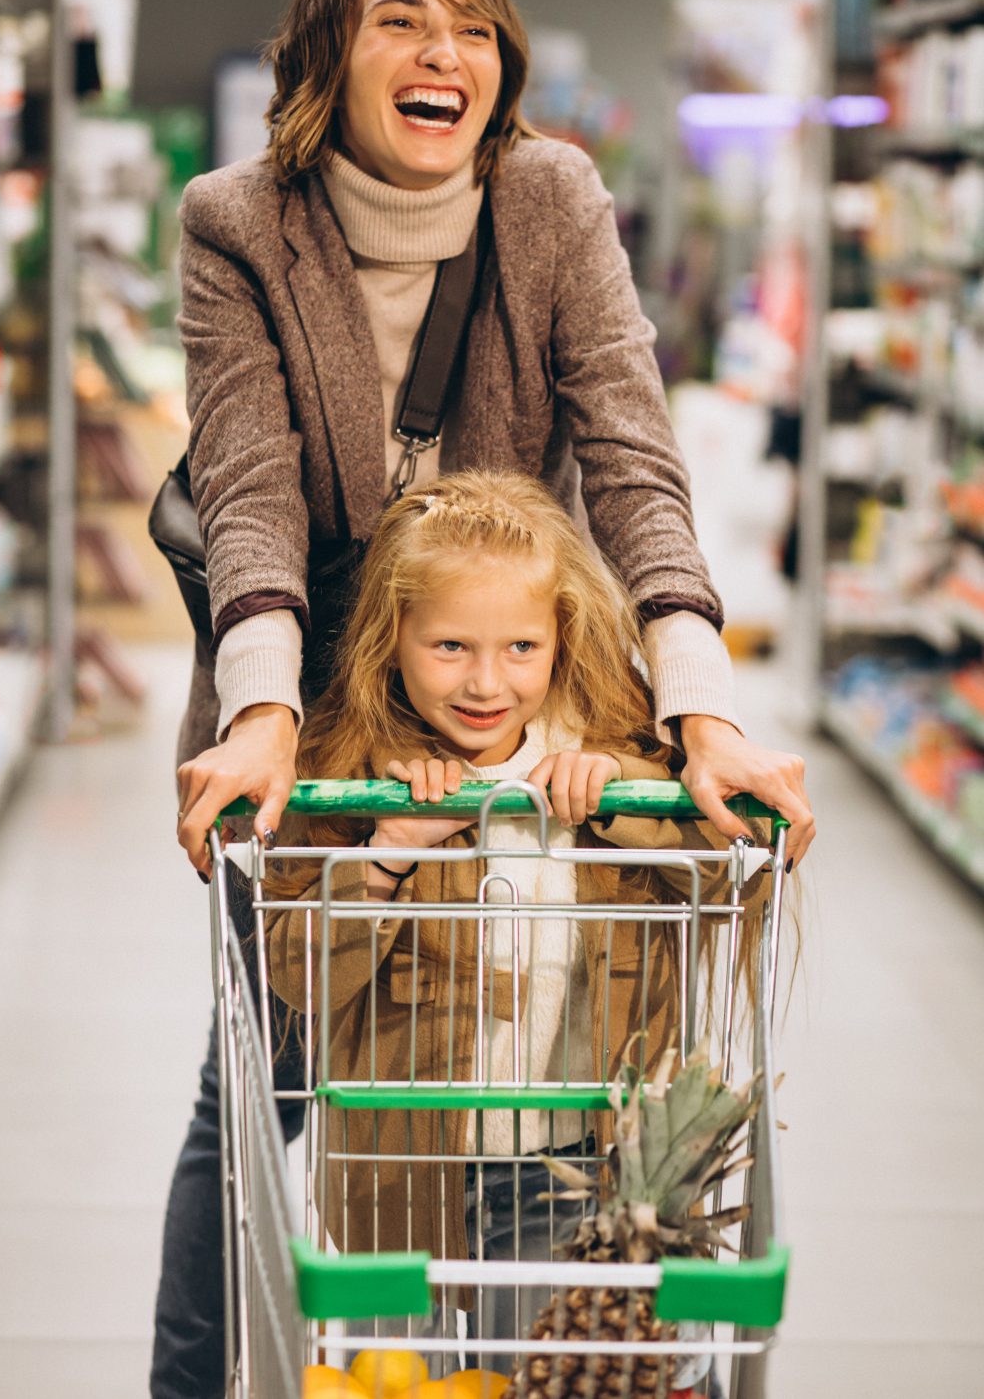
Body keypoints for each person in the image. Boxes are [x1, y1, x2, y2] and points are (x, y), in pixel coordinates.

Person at [156, 0, 813, 1395]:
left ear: (501, 64)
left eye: (470, 28)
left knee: (551, 1043)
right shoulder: (237, 224)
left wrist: (700, 712)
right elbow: (250, 493)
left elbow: (633, 457)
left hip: (525, 684)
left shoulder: (549, 198)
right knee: (263, 1086)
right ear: (327, 57)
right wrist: (261, 716)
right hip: (319, 716)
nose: (440, 51)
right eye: (399, 21)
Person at [262, 469, 771, 1377]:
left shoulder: (618, 763)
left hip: (574, 1174)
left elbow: (741, 877)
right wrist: (387, 851)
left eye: (521, 647)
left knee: (543, 1378)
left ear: (561, 638)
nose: (486, 681)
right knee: (393, 1386)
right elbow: (295, 976)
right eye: (450, 645)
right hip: (398, 1177)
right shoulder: (347, 771)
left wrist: (624, 799)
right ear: (392, 640)